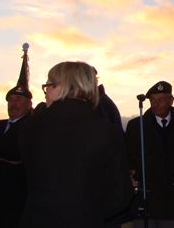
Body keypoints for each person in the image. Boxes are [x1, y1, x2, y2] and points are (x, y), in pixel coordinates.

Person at [19, 61, 129, 228]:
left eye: (48, 85)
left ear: (63, 86)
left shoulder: (30, 126)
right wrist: (90, 212)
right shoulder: (107, 131)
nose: (45, 91)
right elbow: (120, 195)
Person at [124, 81, 174, 228]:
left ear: (171, 100)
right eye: (152, 100)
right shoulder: (136, 126)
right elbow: (128, 156)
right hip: (146, 200)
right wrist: (131, 174)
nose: (156, 104)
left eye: (161, 100)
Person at [0, 85, 33, 228]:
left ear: (29, 105)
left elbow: (18, 155)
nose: (13, 103)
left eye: (18, 99)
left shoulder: (31, 128)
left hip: (16, 197)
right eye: (10, 100)